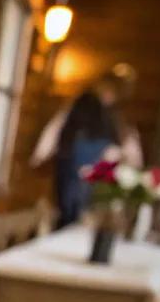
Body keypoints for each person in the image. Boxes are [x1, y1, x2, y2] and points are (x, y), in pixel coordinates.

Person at [52, 75, 123, 226]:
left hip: (83, 160)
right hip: (78, 158)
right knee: (72, 200)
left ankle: (70, 223)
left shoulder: (105, 112)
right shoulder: (87, 105)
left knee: (76, 201)